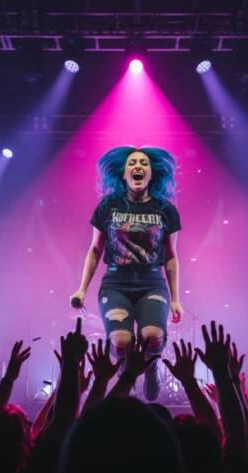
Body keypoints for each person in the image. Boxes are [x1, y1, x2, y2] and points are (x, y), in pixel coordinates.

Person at [70, 146, 184, 401]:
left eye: (144, 162)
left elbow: (172, 256)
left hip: (152, 282)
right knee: (121, 343)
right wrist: (81, 289)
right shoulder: (108, 205)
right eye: (132, 162)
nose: (138, 166)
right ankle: (124, 368)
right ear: (123, 174)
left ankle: (152, 364)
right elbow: (95, 249)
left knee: (153, 338)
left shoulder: (165, 209)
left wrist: (176, 299)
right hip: (116, 283)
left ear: (151, 173)